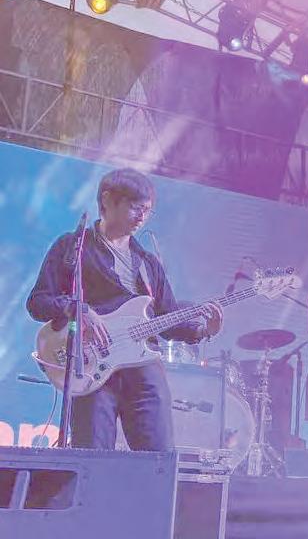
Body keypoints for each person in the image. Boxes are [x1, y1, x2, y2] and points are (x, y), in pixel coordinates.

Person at [27, 167, 224, 452]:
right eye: (135, 208)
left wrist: (203, 330)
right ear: (107, 200)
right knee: (92, 459)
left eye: (147, 211)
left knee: (158, 459)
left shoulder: (148, 263)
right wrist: (78, 309)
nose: (142, 217)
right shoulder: (73, 247)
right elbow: (38, 302)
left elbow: (166, 318)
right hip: (92, 368)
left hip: (143, 370)